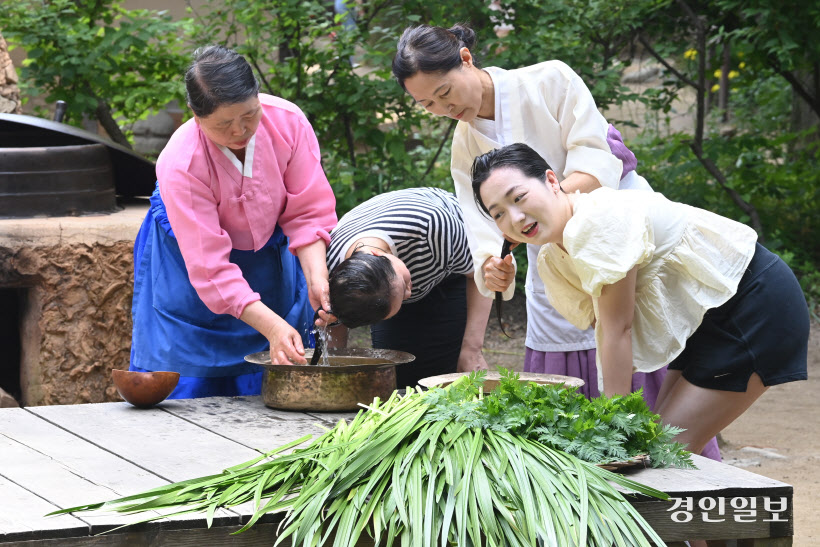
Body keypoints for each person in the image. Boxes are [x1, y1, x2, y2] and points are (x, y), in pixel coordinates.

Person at [390, 24, 729, 460]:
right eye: (426, 104)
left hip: (620, 225)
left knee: (630, 334)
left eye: (444, 91)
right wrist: (495, 261)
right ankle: (581, 476)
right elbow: (481, 223)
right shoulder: (464, 144)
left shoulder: (550, 80)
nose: (442, 107)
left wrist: (546, 214)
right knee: (562, 340)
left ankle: (650, 461)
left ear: (466, 58)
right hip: (547, 249)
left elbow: (596, 155)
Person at [471, 143, 809, 454]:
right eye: (498, 213)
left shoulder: (597, 220)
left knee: (661, 454)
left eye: (518, 198)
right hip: (704, 322)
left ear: (551, 180)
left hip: (754, 305)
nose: (514, 218)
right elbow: (601, 326)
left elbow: (618, 330)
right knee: (654, 446)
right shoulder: (552, 257)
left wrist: (612, 423)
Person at [129, 45, 337, 398]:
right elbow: (209, 268)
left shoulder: (288, 121)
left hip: (268, 254)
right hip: (188, 265)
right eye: (224, 124)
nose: (241, 130)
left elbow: (307, 211)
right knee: (193, 378)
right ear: (196, 115)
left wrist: (318, 276)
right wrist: (270, 324)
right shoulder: (181, 161)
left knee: (278, 360)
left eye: (250, 115)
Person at [320, 187, 491, 388]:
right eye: (403, 296)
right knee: (398, 376)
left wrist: (472, 349)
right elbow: (334, 323)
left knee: (441, 378)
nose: (410, 292)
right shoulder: (332, 270)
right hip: (386, 293)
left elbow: (482, 274)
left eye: (404, 285)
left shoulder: (432, 227)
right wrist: (332, 374)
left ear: (377, 254)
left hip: (451, 274)